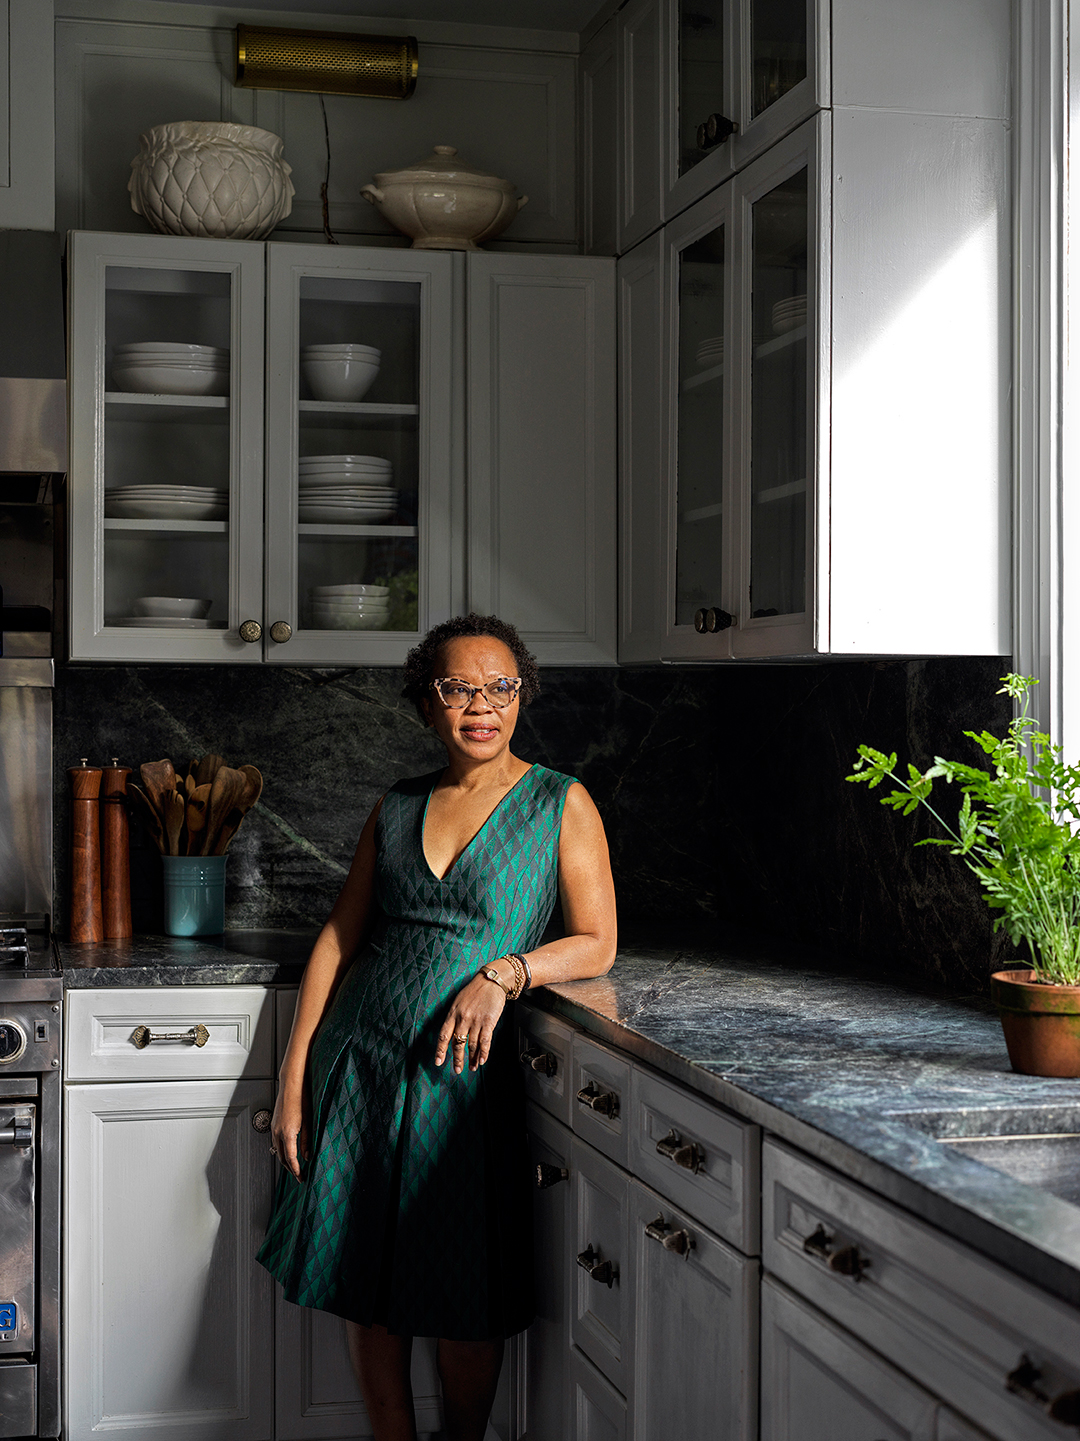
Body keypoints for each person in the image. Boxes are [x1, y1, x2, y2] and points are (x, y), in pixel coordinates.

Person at [257, 612, 617, 1441]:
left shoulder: (560, 801)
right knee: (369, 1283)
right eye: (459, 688)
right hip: (362, 1067)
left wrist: (508, 972)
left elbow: (596, 941)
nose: (481, 705)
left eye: (500, 687)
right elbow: (342, 938)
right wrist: (292, 1077)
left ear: (521, 696)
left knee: (464, 1295)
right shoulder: (397, 804)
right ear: (428, 702)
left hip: (464, 1085)